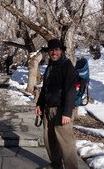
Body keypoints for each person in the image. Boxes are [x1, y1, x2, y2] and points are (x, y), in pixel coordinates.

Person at [35, 38, 79, 169]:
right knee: (50, 141)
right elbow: (45, 88)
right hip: (48, 109)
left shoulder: (67, 65)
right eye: (51, 50)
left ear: (61, 51)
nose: (54, 52)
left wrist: (67, 112)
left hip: (61, 110)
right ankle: (56, 165)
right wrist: (39, 105)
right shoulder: (50, 65)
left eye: (56, 50)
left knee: (66, 143)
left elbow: (71, 90)